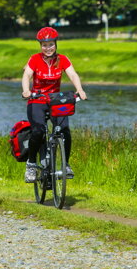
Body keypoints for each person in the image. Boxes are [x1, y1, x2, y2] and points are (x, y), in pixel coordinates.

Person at [21, 27, 87, 183]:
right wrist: (26, 90)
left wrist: (80, 90)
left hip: (55, 101)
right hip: (37, 100)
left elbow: (72, 74)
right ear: (40, 46)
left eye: (50, 44)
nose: (48, 48)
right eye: (44, 45)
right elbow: (27, 75)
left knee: (64, 130)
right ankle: (31, 164)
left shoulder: (62, 59)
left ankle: (66, 164)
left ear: (55, 44)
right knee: (37, 131)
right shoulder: (35, 59)